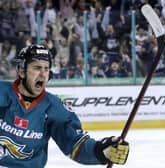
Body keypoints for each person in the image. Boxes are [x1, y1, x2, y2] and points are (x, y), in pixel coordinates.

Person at [0, 44, 129, 168]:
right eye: (37, 68)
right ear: (22, 71)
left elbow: (75, 145)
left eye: (46, 68)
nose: (43, 74)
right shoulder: (2, 92)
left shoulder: (55, 108)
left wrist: (101, 150)